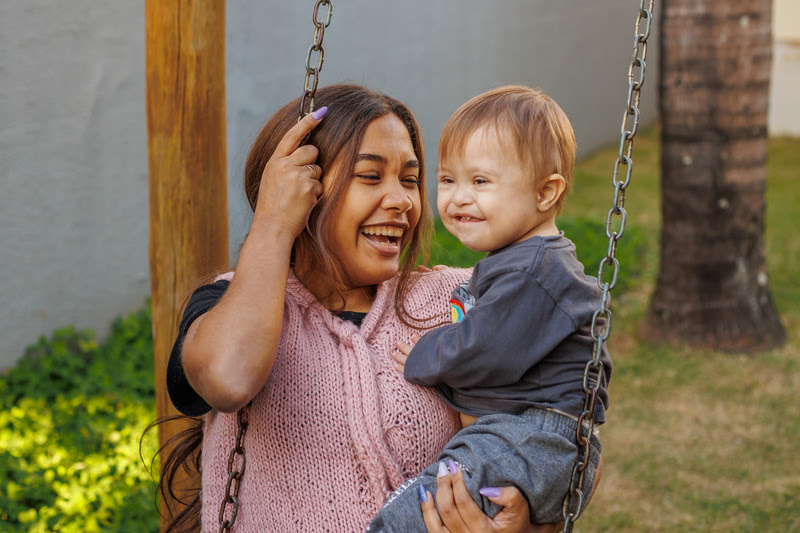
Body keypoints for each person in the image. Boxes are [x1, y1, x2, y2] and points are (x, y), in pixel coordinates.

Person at [162, 84, 563, 532]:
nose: (402, 201)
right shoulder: (232, 304)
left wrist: (529, 524)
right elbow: (227, 380)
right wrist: (274, 223)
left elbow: (564, 430)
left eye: (409, 179)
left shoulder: (461, 300)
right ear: (299, 189)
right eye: (370, 176)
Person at [366, 86, 612, 532]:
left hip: (532, 436)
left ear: (545, 192)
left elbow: (486, 349)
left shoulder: (533, 271)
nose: (459, 197)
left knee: (410, 515)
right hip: (526, 437)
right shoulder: (519, 262)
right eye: (447, 180)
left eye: (480, 181)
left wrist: (428, 352)